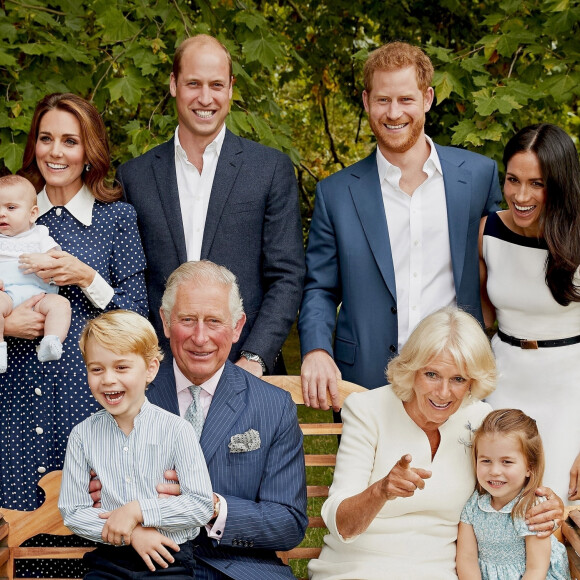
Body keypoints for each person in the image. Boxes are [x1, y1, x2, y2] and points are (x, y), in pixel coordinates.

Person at [299, 41, 501, 409]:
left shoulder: (478, 177)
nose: (394, 113)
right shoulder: (336, 193)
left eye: (406, 99)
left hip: (458, 378)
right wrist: (315, 349)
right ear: (366, 101)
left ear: (427, 98)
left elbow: (501, 267)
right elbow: (320, 289)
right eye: (382, 100)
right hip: (365, 379)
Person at [307, 308, 564, 580]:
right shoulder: (367, 410)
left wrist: (550, 505)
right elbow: (341, 525)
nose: (443, 393)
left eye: (458, 379)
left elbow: (513, 491)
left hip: (440, 570)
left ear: (472, 381)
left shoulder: (480, 421)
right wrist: (380, 491)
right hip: (357, 568)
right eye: (432, 374)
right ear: (413, 369)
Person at [116, 34, 304, 376]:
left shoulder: (269, 169)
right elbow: (132, 281)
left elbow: (287, 276)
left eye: (216, 84)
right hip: (159, 373)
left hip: (246, 368)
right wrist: (147, 357)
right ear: (174, 84)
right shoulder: (134, 177)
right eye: (193, 83)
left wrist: (255, 357)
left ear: (231, 88)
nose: (206, 98)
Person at [0, 93, 147, 515]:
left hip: (85, 397)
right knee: (17, 522)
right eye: (46, 139)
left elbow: (137, 317)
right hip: (13, 394)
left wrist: (87, 277)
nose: (55, 152)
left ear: (89, 150)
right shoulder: (9, 213)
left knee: (87, 518)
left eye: (70, 140)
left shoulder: (116, 219)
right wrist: (7, 327)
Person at [59, 310, 213, 579]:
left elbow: (200, 505)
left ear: (150, 369)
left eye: (121, 367)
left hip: (169, 558)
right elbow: (73, 511)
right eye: (96, 369)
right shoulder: (82, 435)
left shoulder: (177, 430)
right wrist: (131, 533)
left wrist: (138, 511)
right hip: (110, 558)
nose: (107, 379)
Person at [480, 123, 580, 504]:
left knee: (551, 507)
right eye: (512, 180)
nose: (521, 196)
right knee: (497, 506)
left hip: (569, 391)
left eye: (537, 183)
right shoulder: (487, 232)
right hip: (503, 383)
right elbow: (483, 320)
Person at [457, 409, 570, 580]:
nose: (494, 471)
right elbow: (467, 559)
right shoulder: (474, 506)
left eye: (507, 462)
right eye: (486, 460)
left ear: (529, 467)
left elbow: (536, 569)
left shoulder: (533, 509)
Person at [0, 175, 71, 372]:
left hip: (39, 295)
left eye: (11, 208)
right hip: (6, 294)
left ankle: (51, 341)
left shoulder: (40, 234)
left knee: (61, 305)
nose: (2, 214)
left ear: (32, 214)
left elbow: (57, 262)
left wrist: (45, 260)